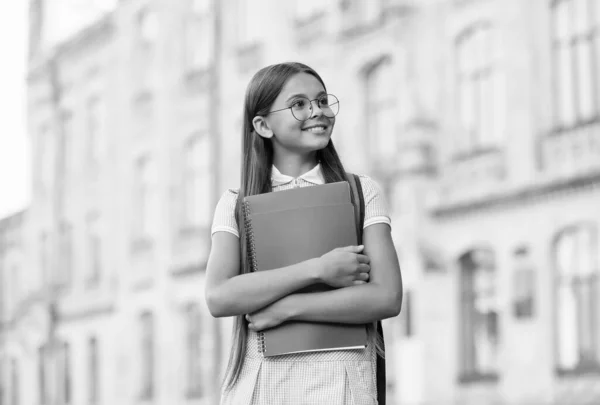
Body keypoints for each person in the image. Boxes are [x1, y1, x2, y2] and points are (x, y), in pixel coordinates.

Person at [206, 61, 403, 404]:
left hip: (341, 383)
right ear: (263, 125)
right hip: (260, 385)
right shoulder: (235, 204)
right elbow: (220, 296)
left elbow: (387, 297)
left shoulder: (361, 192)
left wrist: (289, 307)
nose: (319, 112)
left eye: (323, 101)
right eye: (299, 104)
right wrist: (317, 269)